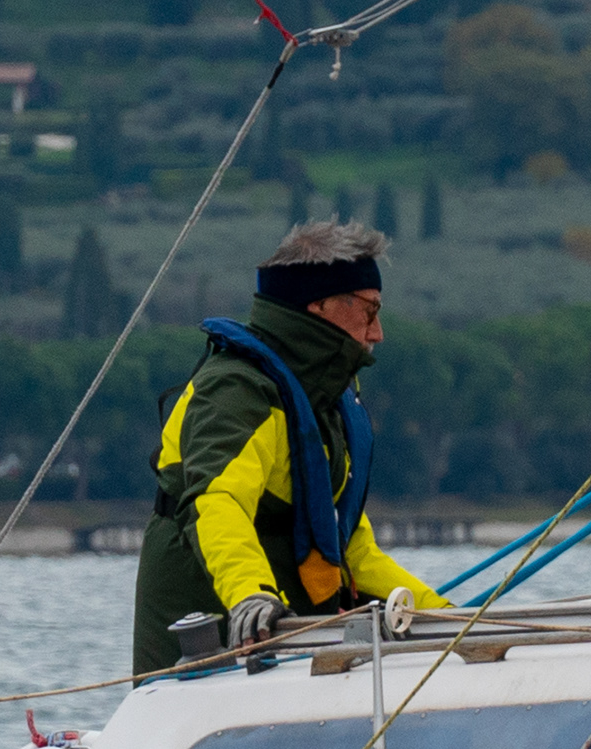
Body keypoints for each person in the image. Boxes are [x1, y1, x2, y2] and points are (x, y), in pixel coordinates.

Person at [132, 218, 451, 676]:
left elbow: (354, 552)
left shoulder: (324, 403)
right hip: (211, 626)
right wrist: (250, 593)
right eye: (369, 310)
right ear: (320, 306)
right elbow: (218, 503)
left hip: (288, 631)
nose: (377, 332)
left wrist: (447, 616)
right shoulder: (236, 391)